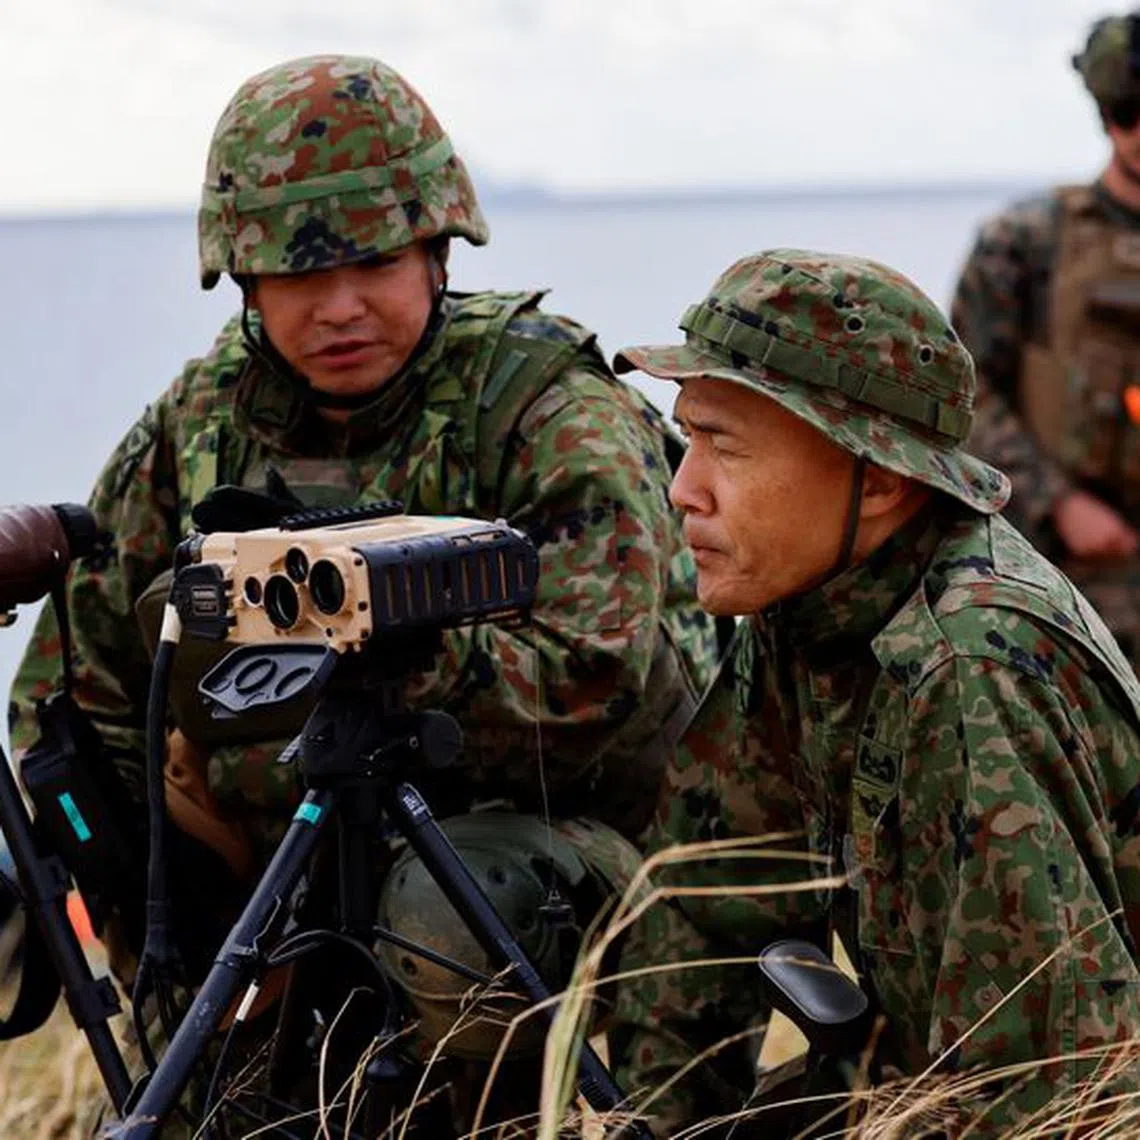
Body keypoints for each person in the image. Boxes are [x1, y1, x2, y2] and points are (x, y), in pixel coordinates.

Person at [7, 54, 717, 1135]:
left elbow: (605, 684)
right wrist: (137, 862)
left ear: (438, 248)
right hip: (268, 863)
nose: (340, 310)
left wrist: (385, 652)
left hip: (540, 849)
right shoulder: (199, 423)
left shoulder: (545, 408)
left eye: (375, 266)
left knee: (448, 915)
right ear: (243, 281)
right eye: (299, 278)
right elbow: (79, 679)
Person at [611, 249, 1140, 1137]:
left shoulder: (970, 667)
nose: (683, 490)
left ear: (883, 478)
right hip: (922, 1080)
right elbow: (711, 906)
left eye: (726, 448)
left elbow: (1055, 1091)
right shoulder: (810, 606)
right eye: (688, 435)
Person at [951, 9, 1140, 669]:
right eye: (1125, 112)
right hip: (1071, 580)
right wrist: (1057, 501)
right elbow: (964, 393)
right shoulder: (1027, 241)